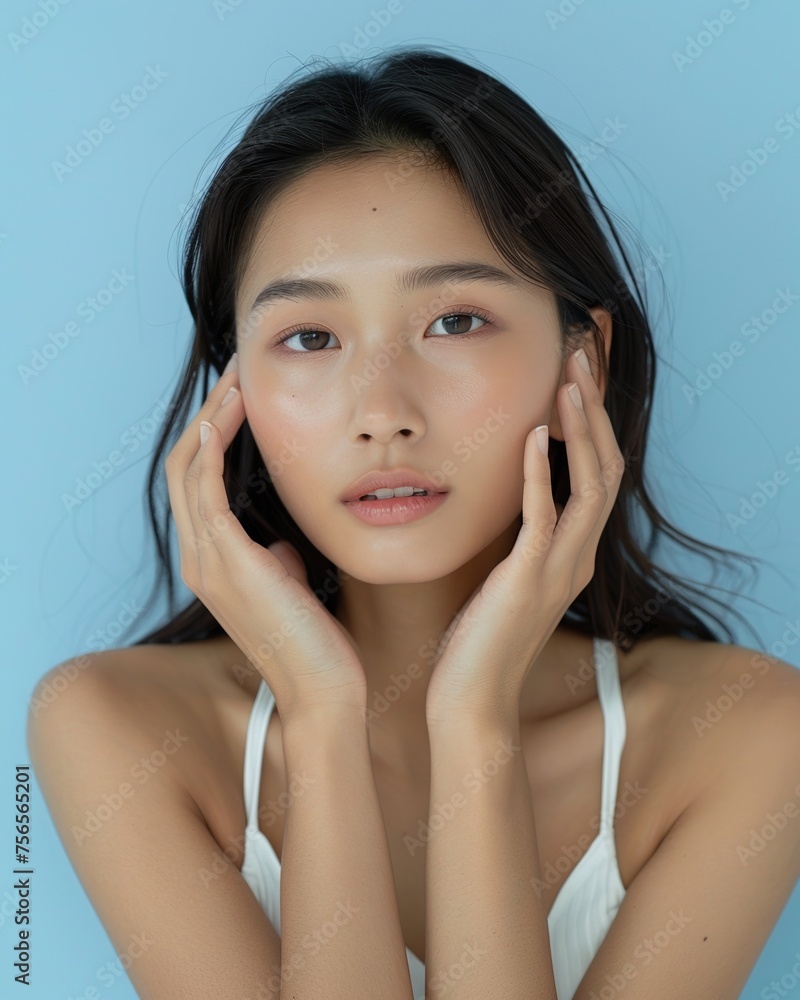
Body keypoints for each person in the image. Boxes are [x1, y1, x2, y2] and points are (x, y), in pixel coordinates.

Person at [27, 45, 800, 1000]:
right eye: (309, 338)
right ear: (237, 396)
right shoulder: (116, 727)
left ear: (583, 361)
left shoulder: (748, 734)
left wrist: (474, 721)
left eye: (455, 321)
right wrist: (319, 716)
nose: (381, 409)